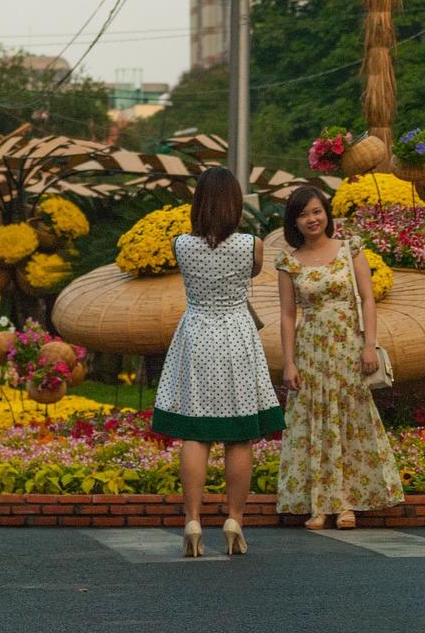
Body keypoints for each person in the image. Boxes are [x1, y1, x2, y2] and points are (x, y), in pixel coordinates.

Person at [150, 167, 285, 557]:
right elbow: (252, 273)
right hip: (237, 337)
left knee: (195, 432)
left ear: (198, 204)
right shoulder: (252, 245)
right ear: (235, 203)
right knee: (238, 435)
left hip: (196, 336)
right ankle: (234, 519)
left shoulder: (181, 245)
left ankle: (192, 520)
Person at [275, 185, 403, 529]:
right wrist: (289, 362)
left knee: (348, 421)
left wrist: (368, 344)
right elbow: (288, 314)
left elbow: (367, 299)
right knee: (314, 424)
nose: (311, 219)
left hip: (348, 346)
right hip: (310, 351)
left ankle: (346, 504)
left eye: (316, 211)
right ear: (294, 221)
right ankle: (320, 504)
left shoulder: (350, 248)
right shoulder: (288, 261)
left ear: (327, 213)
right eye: (303, 214)